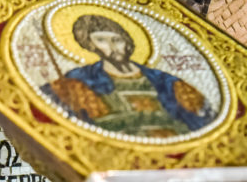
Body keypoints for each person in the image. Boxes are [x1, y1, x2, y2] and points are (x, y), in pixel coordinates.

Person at [41, 15, 215, 137]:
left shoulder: (164, 81)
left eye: (117, 40)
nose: (112, 46)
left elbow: (205, 118)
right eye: (101, 40)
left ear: (127, 42)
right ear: (90, 46)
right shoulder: (81, 81)